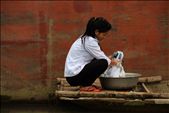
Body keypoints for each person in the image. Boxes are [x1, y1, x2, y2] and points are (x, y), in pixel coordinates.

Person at [64, 17, 118, 92]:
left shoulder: (87, 38)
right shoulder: (90, 41)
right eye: (104, 34)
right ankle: (86, 85)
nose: (104, 37)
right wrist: (115, 62)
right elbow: (104, 60)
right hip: (74, 77)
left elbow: (100, 55)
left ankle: (86, 84)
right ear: (96, 32)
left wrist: (109, 59)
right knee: (103, 63)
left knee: (102, 60)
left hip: (74, 75)